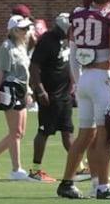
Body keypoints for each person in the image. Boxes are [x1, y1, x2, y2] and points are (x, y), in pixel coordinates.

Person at [56, 0, 110, 200]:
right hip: (103, 78)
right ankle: (103, 187)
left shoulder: (78, 14)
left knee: (84, 135)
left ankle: (66, 182)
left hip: (85, 78)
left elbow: (72, 52)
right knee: (104, 136)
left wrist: (77, 80)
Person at [0, 15, 33, 181]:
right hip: (10, 88)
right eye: (23, 28)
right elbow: (0, 71)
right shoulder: (6, 47)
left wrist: (29, 91)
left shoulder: (22, 46)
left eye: (27, 28)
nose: (26, 31)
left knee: (20, 132)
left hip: (22, 88)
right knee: (15, 132)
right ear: (14, 30)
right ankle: (16, 169)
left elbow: (25, 72)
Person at [27, 13, 75, 183]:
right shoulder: (47, 41)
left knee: (68, 131)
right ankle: (35, 170)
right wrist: (40, 90)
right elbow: (34, 66)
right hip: (49, 94)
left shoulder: (66, 40)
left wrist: (72, 83)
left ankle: (79, 167)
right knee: (44, 131)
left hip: (64, 94)